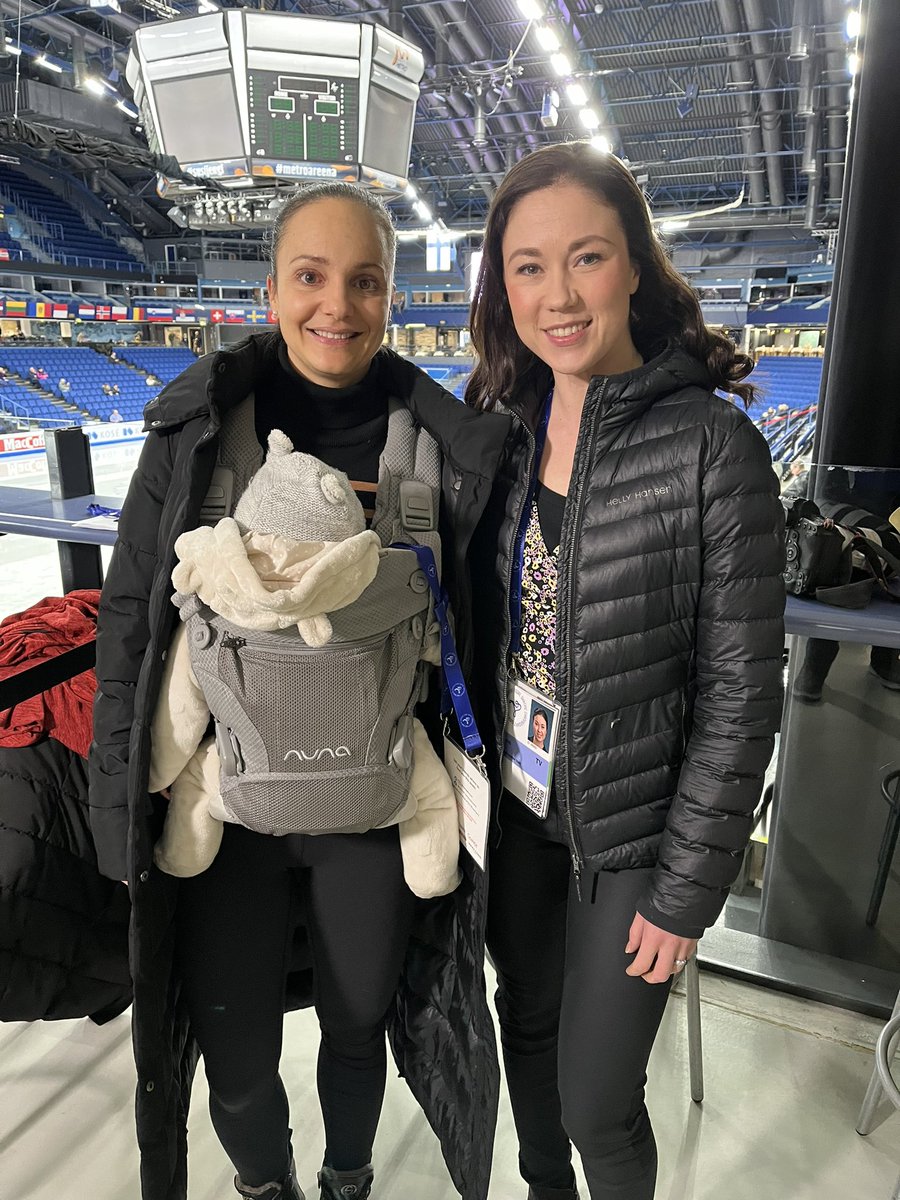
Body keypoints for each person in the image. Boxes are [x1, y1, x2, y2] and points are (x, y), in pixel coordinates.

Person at [89, 181, 510, 1200]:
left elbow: (478, 644)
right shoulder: (197, 432)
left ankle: (347, 1181)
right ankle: (265, 1186)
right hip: (224, 813)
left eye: (365, 281)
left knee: (357, 1022)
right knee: (232, 1048)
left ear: (391, 292)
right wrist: (119, 820)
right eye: (312, 277)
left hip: (370, 801)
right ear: (271, 290)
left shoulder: (441, 450)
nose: (339, 306)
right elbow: (134, 620)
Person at [465, 142, 785, 1200]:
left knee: (599, 1100)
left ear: (635, 266)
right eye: (527, 266)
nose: (557, 296)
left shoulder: (711, 448)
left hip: (637, 842)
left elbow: (742, 698)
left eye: (587, 258)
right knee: (531, 1043)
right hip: (516, 816)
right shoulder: (499, 435)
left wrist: (687, 892)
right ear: (500, 284)